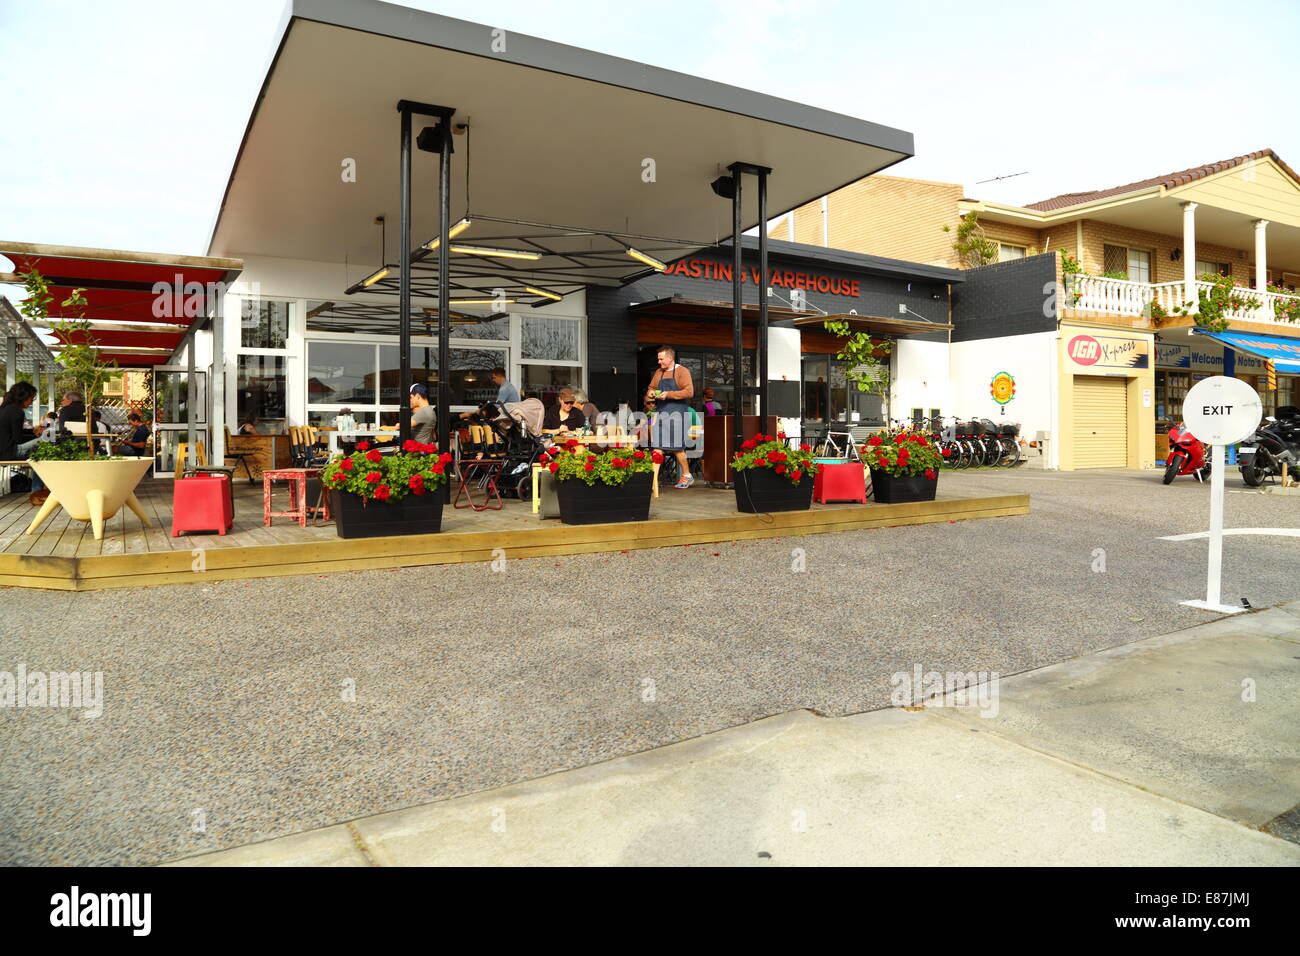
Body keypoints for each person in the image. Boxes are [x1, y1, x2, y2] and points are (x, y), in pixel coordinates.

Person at [645, 345, 695, 488]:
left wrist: (668, 394)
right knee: (657, 447)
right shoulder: (658, 372)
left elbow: (689, 392)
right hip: (661, 413)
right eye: (658, 359)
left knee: (676, 447)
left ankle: (687, 475)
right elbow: (651, 387)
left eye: (661, 359)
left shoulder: (682, 371)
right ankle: (653, 481)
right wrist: (651, 393)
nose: (659, 362)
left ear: (669, 358)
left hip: (677, 414)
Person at [0, 382, 47, 504]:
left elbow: (14, 433)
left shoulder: (4, 409)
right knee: (49, 441)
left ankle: (37, 491)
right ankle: (37, 491)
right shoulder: (17, 412)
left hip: (3, 451)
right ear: (23, 398)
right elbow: (18, 439)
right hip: (10, 452)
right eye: (31, 399)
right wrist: (37, 435)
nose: (31, 402)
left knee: (39, 452)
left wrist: (32, 432)